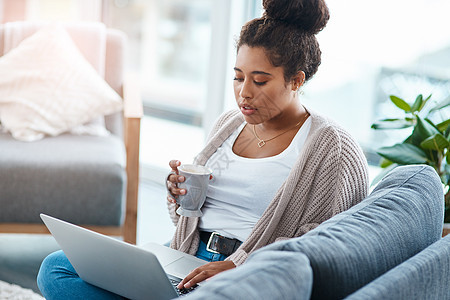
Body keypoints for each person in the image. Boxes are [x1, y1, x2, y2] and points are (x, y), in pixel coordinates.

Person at [37, 0, 369, 298]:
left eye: (260, 80)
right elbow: (189, 217)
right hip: (186, 254)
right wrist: (179, 197)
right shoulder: (229, 123)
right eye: (238, 77)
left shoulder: (329, 147)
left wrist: (238, 266)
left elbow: (323, 247)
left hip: (249, 275)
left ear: (296, 80)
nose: (244, 94)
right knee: (56, 268)